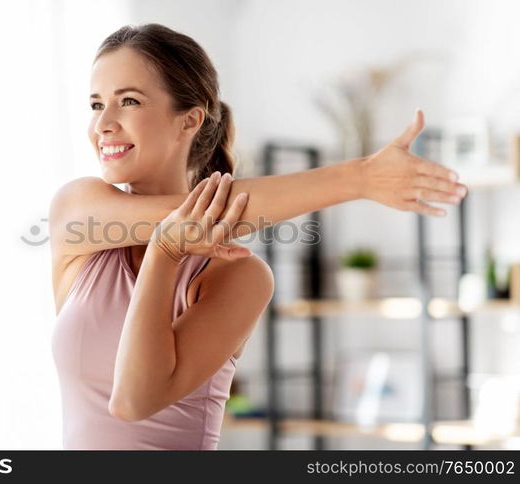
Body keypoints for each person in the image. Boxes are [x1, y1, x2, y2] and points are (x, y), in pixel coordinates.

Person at [48, 23, 467, 450]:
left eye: (129, 101)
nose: (103, 123)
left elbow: (134, 401)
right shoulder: (77, 210)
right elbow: (194, 216)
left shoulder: (239, 275)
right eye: (96, 104)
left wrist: (165, 254)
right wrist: (358, 177)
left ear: (189, 119)